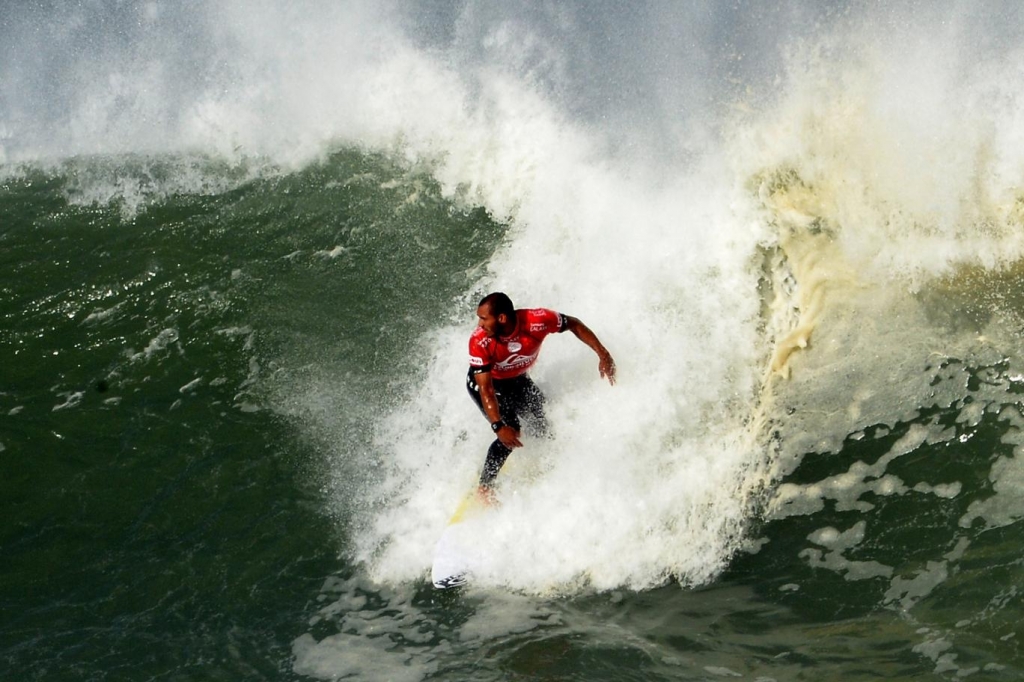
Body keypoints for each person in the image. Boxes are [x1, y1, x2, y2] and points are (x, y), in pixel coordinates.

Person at [466, 292, 616, 497]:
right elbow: (486, 389)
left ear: (501, 318)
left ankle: (535, 459)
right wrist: (498, 426)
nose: (479, 324)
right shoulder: (479, 340)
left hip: (517, 379)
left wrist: (603, 353)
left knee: (544, 424)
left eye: (484, 318)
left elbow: (574, 324)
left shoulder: (537, 321)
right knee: (510, 431)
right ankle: (484, 488)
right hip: (486, 384)